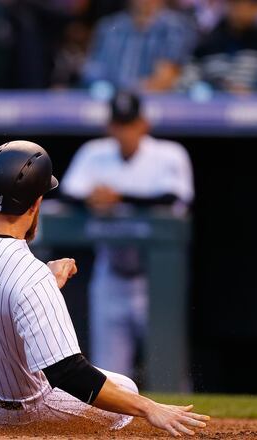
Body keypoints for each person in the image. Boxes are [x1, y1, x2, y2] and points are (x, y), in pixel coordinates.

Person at [0, 141, 208, 436]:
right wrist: (148, 408)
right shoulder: (30, 278)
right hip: (15, 407)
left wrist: (44, 284)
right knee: (126, 391)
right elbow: (69, 373)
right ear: (36, 202)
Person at [59, 91, 194, 380]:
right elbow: (67, 192)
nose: (124, 132)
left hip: (156, 280)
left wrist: (120, 198)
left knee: (168, 369)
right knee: (110, 372)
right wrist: (90, 200)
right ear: (110, 126)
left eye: (130, 123)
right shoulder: (94, 153)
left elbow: (176, 198)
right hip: (111, 275)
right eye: (119, 124)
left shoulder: (169, 154)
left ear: (143, 124)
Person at [82, 0, 196, 92]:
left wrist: (128, 94)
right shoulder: (109, 26)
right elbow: (93, 72)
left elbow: (166, 79)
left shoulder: (176, 27)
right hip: (109, 103)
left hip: (158, 105)